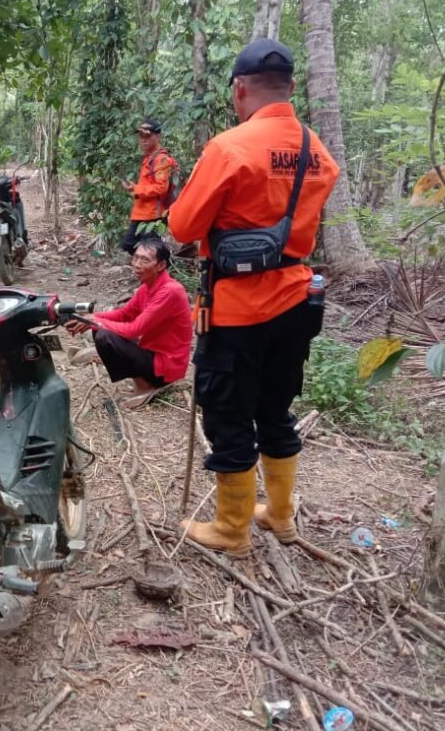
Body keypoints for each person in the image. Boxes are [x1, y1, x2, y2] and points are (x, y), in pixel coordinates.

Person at [168, 38, 340, 556]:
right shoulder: (317, 151)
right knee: (275, 408)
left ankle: (232, 529)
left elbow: (181, 225)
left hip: (238, 309)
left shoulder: (229, 148)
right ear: (289, 87)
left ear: (240, 90)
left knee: (228, 414)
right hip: (297, 303)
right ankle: (281, 517)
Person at [66, 235, 192, 410]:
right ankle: (142, 382)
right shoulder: (146, 288)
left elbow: (135, 329)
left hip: (166, 366)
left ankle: (146, 386)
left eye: (145, 260)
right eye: (136, 258)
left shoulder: (170, 291)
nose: (137, 264)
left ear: (161, 265)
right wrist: (91, 319)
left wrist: (96, 321)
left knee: (105, 335)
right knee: (100, 329)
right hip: (153, 355)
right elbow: (124, 314)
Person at [119, 118, 178, 254]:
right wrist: (134, 189)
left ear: (157, 136)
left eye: (147, 136)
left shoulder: (162, 160)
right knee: (130, 244)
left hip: (153, 216)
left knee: (150, 251)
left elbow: (161, 188)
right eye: (141, 136)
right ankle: (152, 268)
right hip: (142, 213)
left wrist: (137, 189)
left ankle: (159, 269)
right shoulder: (149, 158)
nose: (143, 140)